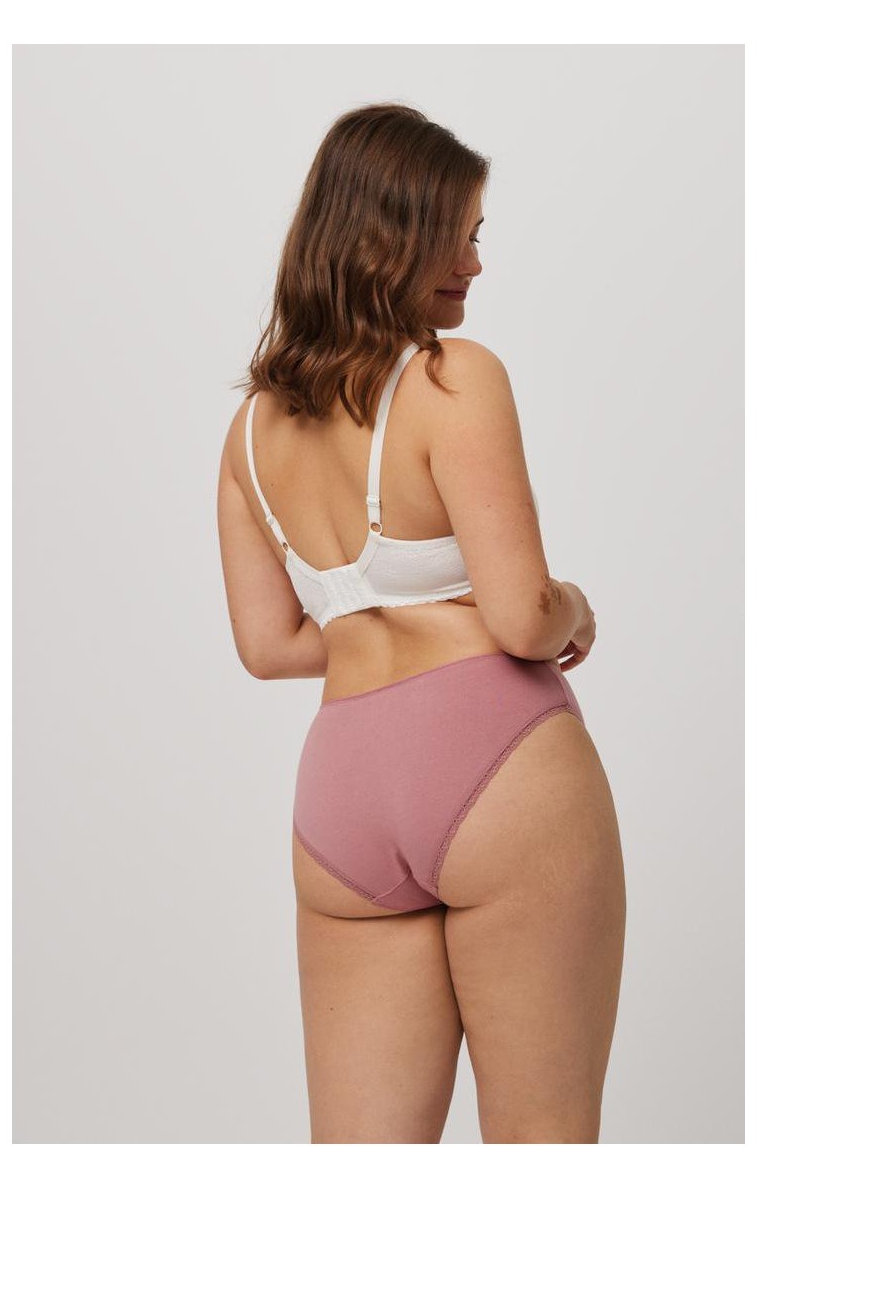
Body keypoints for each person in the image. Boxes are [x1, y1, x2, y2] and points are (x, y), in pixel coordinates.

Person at [217, 102, 625, 1143]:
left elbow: (267, 647)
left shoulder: (251, 430)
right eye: (455, 234)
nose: (473, 264)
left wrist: (378, 626)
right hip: (500, 768)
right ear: (382, 233)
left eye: (477, 235)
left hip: (343, 796)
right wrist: (573, 605)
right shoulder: (454, 378)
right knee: (543, 1144)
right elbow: (523, 618)